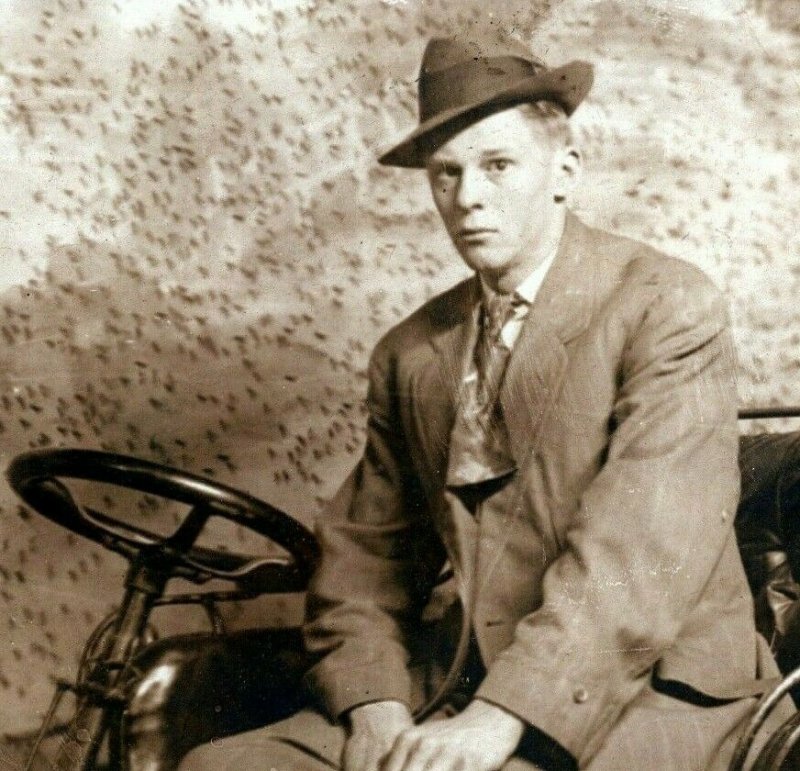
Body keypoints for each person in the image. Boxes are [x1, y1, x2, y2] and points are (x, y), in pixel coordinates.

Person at [180, 36, 790, 770]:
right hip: (458, 680)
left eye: (498, 166)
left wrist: (501, 716)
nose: (467, 197)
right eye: (446, 173)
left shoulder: (664, 304)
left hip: (654, 688)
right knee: (219, 766)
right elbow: (364, 561)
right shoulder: (412, 352)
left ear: (563, 171)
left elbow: (635, 556)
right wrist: (373, 706)